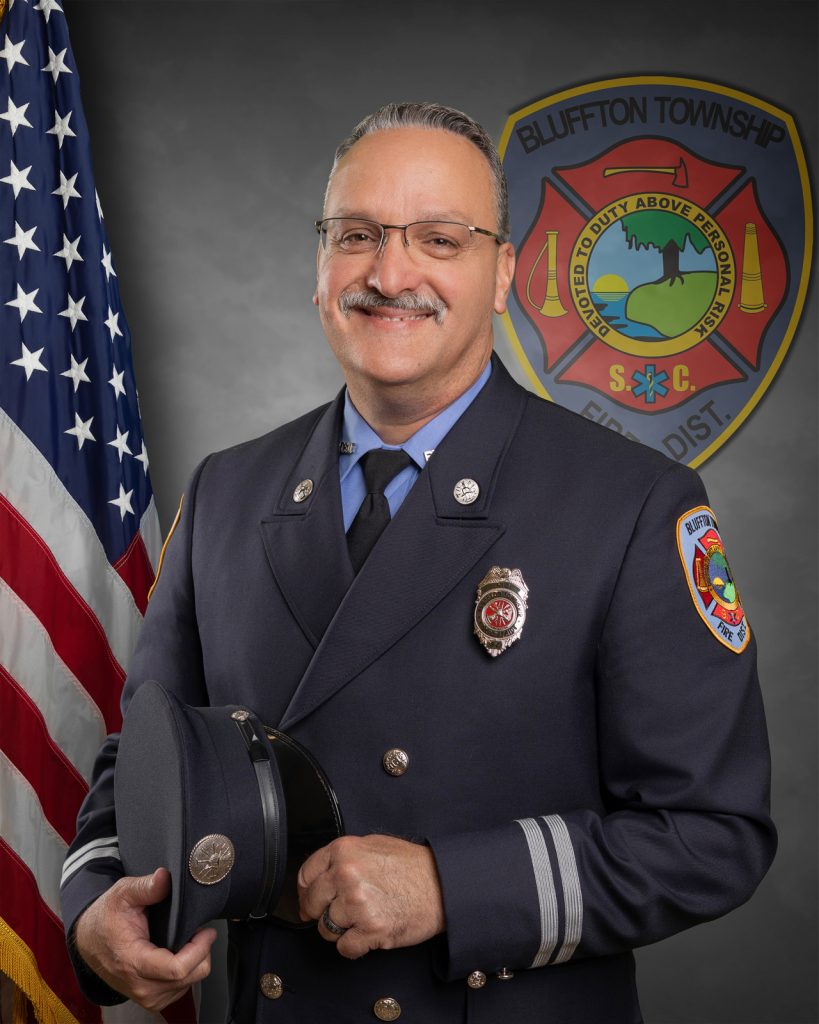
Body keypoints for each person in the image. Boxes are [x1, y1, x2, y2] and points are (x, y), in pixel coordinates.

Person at [61, 102, 776, 1023]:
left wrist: (453, 888)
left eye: (439, 239)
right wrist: (92, 912)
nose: (390, 273)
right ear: (320, 268)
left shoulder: (633, 504)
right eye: (356, 234)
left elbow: (712, 836)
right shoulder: (227, 494)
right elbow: (146, 758)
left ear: (503, 274)